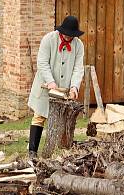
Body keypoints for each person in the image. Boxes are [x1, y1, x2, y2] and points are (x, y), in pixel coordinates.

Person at [26, 15, 85, 158]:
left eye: (72, 36)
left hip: (63, 91)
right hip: (46, 85)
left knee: (62, 120)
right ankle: (32, 152)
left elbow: (78, 68)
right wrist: (51, 82)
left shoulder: (79, 45)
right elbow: (42, 63)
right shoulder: (48, 39)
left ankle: (60, 153)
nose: (68, 37)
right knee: (39, 116)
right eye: (66, 34)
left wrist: (74, 87)